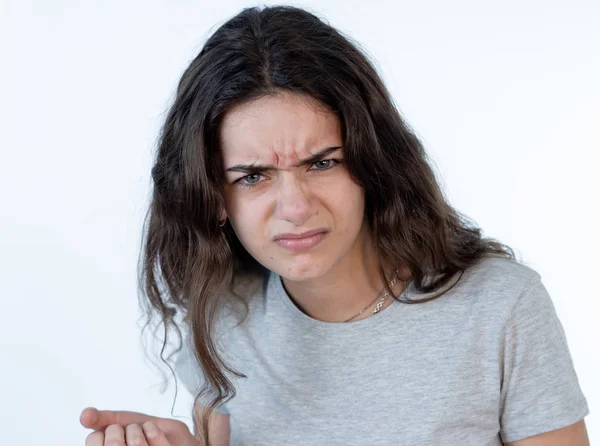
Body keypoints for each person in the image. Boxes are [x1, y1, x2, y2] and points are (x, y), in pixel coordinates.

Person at [79, 5, 590, 446]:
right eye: (253, 176)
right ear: (213, 196)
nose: (295, 207)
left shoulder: (500, 308)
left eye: (322, 163)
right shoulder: (224, 317)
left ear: (374, 162)